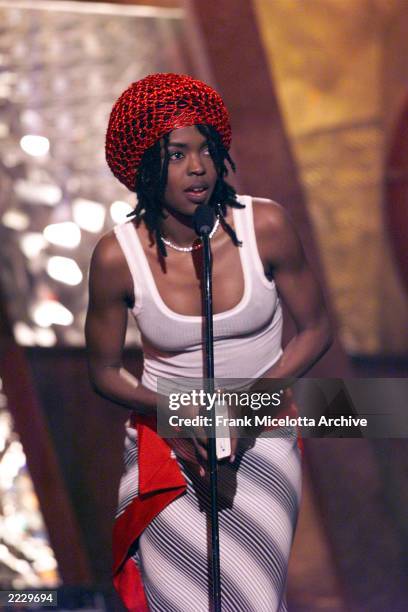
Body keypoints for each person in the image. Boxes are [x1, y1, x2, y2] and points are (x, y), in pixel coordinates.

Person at [85, 73, 332, 612]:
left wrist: (250, 403)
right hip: (167, 443)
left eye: (207, 150)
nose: (197, 167)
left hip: (261, 432)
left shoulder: (264, 225)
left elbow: (316, 329)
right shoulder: (115, 257)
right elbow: (103, 372)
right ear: (145, 166)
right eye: (176, 154)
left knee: (254, 598)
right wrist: (177, 411)